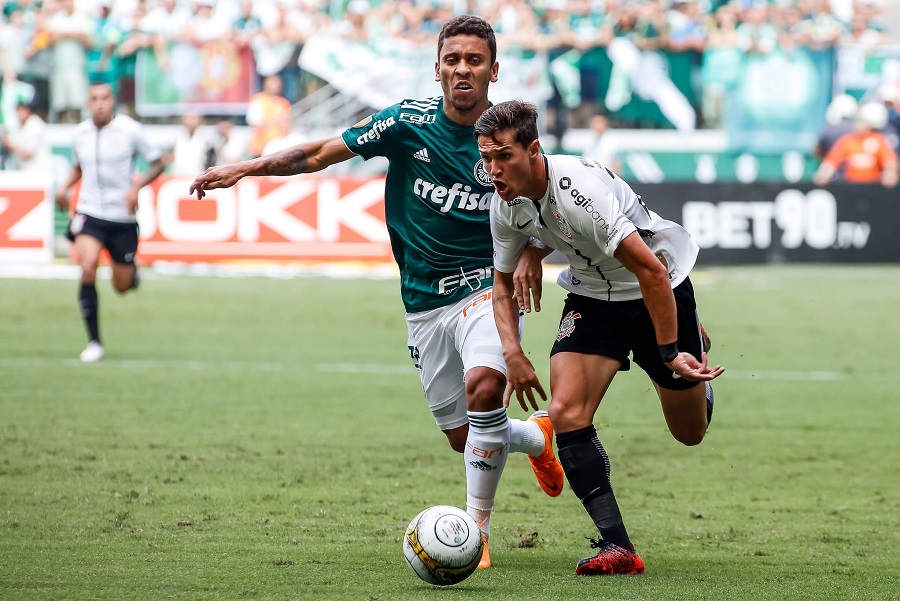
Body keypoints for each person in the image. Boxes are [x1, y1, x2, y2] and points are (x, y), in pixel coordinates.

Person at [190, 15, 564, 569]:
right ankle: (535, 439)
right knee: (467, 440)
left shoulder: (510, 141)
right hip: (423, 303)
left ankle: (474, 532)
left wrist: (533, 251)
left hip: (488, 290)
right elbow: (317, 154)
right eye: (453, 59)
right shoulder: (405, 123)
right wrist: (247, 167)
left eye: (475, 60)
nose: (463, 68)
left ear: (494, 70)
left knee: (485, 388)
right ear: (438, 68)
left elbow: (557, 212)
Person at [476, 100, 724, 576]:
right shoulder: (504, 204)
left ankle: (696, 369)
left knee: (689, 433)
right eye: (486, 158)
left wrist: (669, 351)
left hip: (657, 289)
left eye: (503, 156)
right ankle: (618, 547)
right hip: (592, 296)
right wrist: (512, 351)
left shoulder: (580, 190)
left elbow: (650, 270)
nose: (493, 170)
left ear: (533, 150)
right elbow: (502, 286)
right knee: (567, 413)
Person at [55, 81, 165, 363]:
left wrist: (136, 188)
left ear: (112, 101)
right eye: (94, 99)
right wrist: (64, 187)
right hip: (89, 212)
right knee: (88, 267)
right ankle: (94, 341)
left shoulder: (130, 130)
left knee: (122, 286)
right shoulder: (80, 133)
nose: (100, 103)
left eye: (105, 98)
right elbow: (79, 166)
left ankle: (132, 273)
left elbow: (157, 162)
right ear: (87, 102)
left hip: (122, 217)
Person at [813, 102, 899, 189]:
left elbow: (889, 161)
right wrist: (823, 173)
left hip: (873, 188)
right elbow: (832, 161)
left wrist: (890, 174)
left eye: (860, 120)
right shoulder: (848, 141)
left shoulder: (878, 140)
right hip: (850, 187)